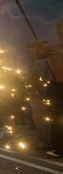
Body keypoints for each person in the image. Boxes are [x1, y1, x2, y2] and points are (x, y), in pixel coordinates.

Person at [33, 20, 63, 158]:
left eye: (62, 26)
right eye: (58, 26)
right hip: (55, 85)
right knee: (56, 118)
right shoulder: (53, 45)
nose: (60, 29)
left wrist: (54, 50)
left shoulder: (55, 48)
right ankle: (58, 148)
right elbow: (39, 54)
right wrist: (38, 46)